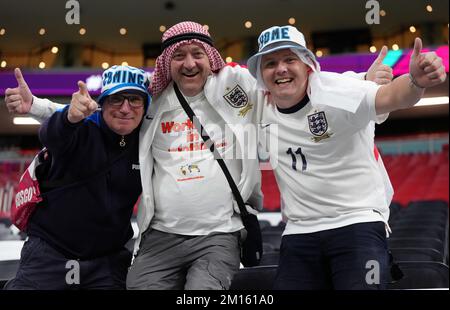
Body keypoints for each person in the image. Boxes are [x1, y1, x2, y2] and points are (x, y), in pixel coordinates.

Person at [6, 22, 392, 290]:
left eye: (197, 54)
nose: (189, 63)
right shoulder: (148, 102)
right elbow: (92, 112)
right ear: (166, 63)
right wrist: (38, 106)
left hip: (219, 233)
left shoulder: (239, 85)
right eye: (179, 56)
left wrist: (360, 84)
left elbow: (297, 82)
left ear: (211, 57)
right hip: (160, 234)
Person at [247, 25, 446, 289]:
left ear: (308, 65)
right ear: (261, 75)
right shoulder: (258, 107)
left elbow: (391, 96)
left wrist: (415, 81)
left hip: (357, 220)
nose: (280, 69)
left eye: (289, 59)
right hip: (299, 230)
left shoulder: (339, 91)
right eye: (270, 63)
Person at [4, 65, 150, 289]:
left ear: (146, 105)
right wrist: (68, 118)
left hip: (107, 263)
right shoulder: (82, 129)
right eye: (116, 99)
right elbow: (51, 136)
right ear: (102, 103)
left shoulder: (149, 141)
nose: (125, 108)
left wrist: (35, 104)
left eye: (134, 99)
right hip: (49, 254)